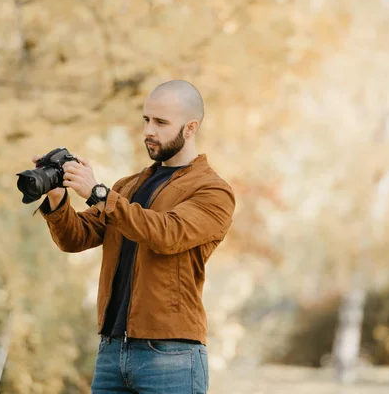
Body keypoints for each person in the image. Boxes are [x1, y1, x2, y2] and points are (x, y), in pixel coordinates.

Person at [32, 80, 236, 393]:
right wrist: (59, 197)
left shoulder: (212, 191)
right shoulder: (128, 186)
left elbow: (167, 234)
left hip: (171, 355)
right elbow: (75, 238)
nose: (148, 131)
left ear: (190, 127)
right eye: (146, 120)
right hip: (112, 352)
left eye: (161, 123)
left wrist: (99, 193)